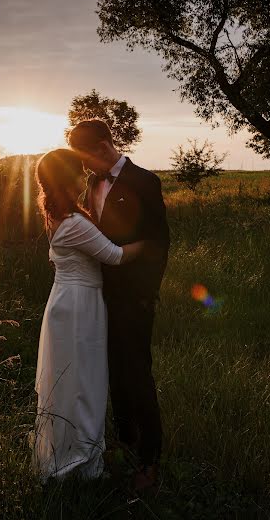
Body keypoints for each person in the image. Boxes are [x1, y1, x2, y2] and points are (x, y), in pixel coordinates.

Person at [32, 148, 145, 483]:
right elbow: (114, 255)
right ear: (68, 178)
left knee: (74, 381)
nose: (85, 175)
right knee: (84, 382)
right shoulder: (73, 223)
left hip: (71, 302)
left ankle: (73, 449)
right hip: (79, 307)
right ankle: (80, 461)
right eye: (79, 171)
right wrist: (150, 243)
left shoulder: (60, 216)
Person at [68, 119, 170, 490]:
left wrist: (144, 296)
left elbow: (158, 244)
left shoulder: (145, 181)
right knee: (110, 370)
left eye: (84, 157)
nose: (82, 167)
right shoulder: (92, 182)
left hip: (134, 298)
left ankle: (149, 459)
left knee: (138, 373)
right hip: (97, 294)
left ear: (103, 146)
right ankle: (124, 440)